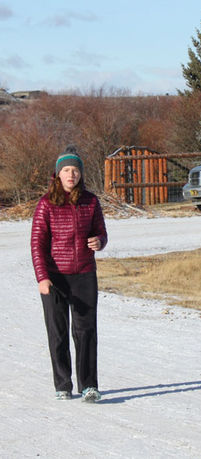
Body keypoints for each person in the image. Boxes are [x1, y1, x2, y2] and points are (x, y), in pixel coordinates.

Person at [30, 145, 108, 403]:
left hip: (84, 274)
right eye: (66, 170)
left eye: (75, 170)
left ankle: (89, 386)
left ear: (80, 174)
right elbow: (37, 244)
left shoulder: (91, 201)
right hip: (55, 277)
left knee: (86, 332)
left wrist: (99, 241)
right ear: (58, 174)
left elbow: (101, 232)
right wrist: (42, 278)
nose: (71, 174)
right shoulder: (45, 205)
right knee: (58, 331)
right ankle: (62, 383)